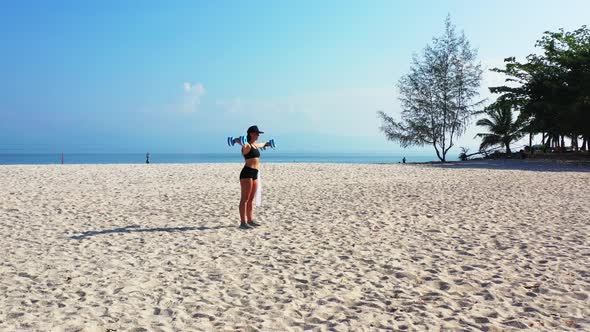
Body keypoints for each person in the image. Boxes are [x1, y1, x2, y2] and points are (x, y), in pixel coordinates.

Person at [237, 125, 272, 229]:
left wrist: (268, 144)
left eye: (258, 134)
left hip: (255, 174)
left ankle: (250, 220)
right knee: (245, 199)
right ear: (251, 134)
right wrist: (236, 140)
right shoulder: (247, 145)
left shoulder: (255, 145)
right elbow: (242, 144)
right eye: (257, 133)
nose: (258, 135)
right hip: (247, 173)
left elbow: (261, 144)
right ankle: (243, 223)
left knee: (251, 199)